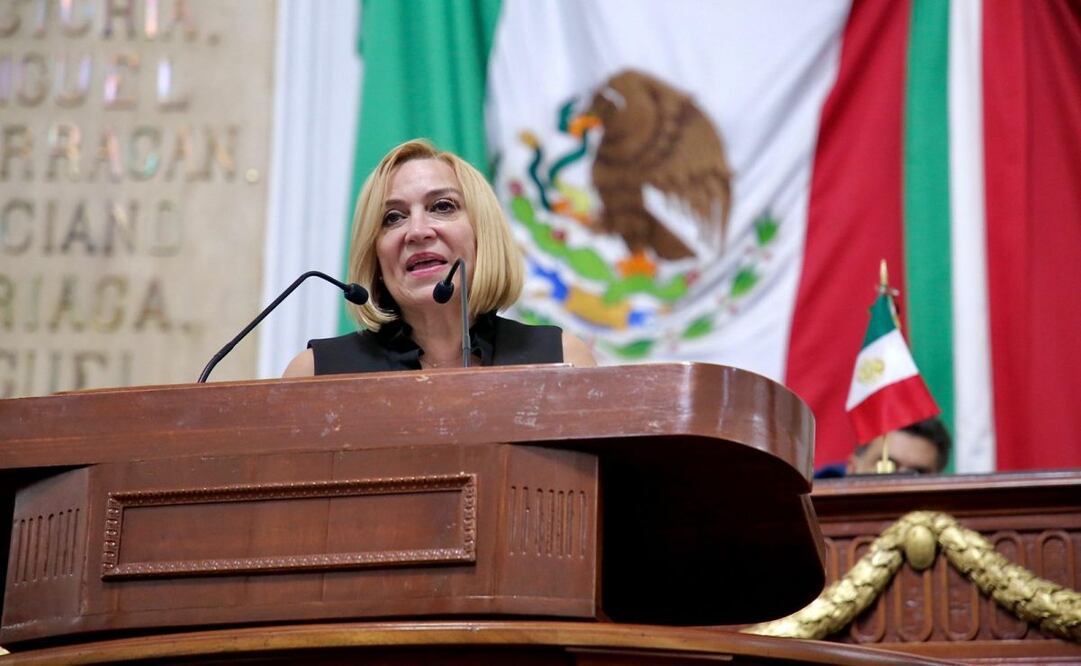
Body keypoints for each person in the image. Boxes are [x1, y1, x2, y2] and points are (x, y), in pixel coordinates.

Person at [283, 139, 596, 376]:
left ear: (482, 235)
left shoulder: (560, 359)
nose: (417, 231)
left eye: (442, 207)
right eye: (393, 217)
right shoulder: (317, 374)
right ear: (374, 254)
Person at [815, 418, 952, 478]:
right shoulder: (807, 514)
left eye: (918, 473)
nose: (903, 481)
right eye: (887, 465)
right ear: (852, 469)